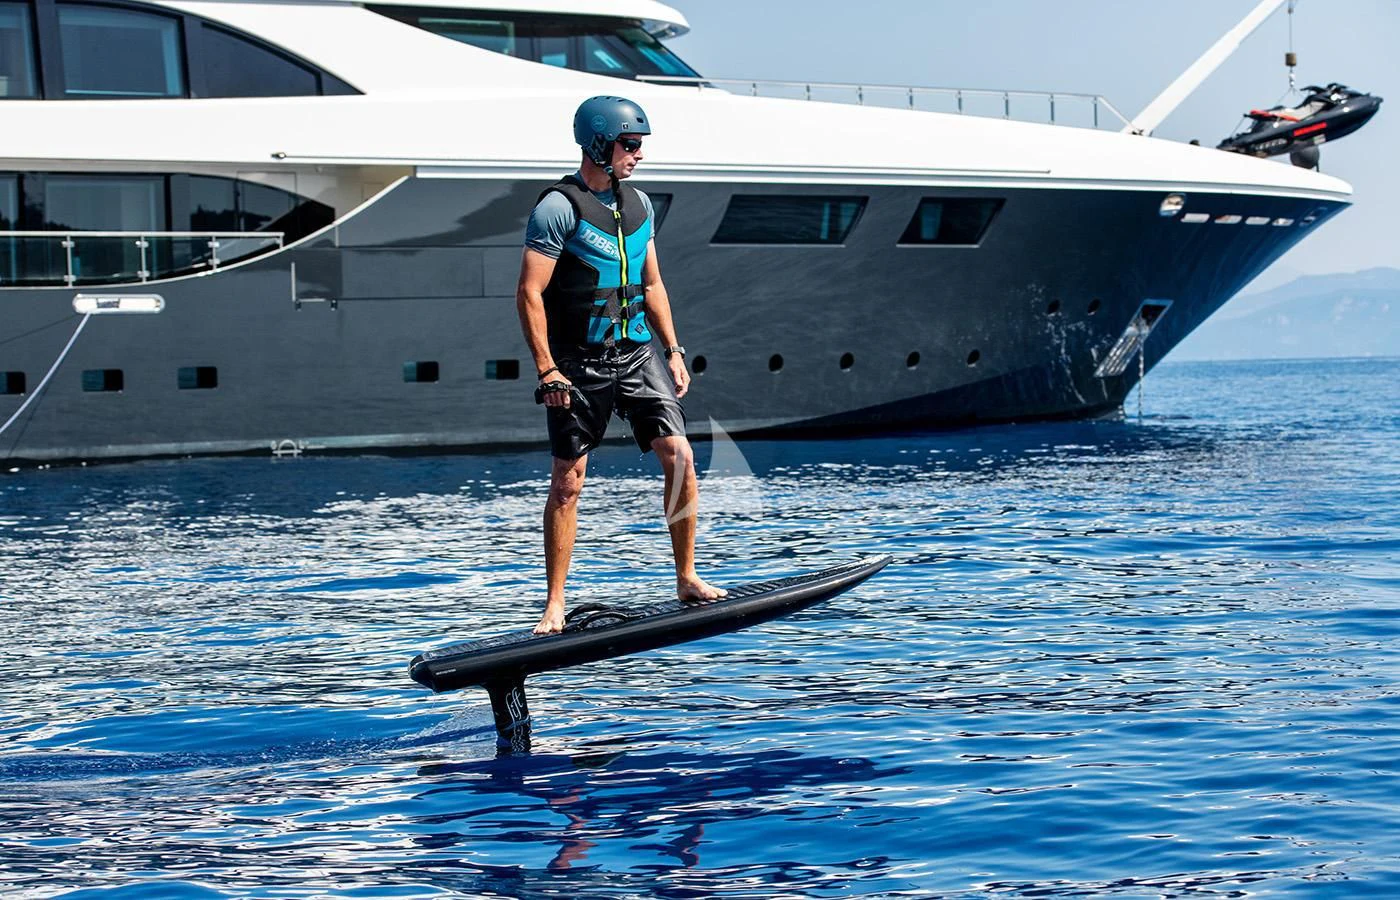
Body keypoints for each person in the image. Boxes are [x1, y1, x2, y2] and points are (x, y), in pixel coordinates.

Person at [516, 95, 726, 635]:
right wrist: (547, 369)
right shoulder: (558, 207)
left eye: (640, 145)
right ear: (598, 144)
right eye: (630, 144)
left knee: (680, 456)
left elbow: (652, 284)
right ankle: (555, 603)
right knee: (568, 482)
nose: (639, 154)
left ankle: (687, 577)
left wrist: (673, 351)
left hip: (636, 354)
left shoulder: (639, 206)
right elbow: (530, 293)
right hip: (577, 363)